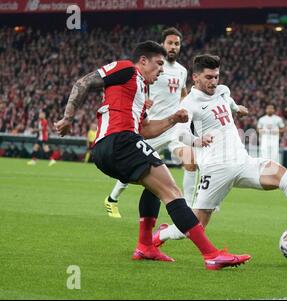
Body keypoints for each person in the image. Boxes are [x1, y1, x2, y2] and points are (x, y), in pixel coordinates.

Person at [54, 41, 250, 270]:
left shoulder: (140, 89)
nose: (161, 70)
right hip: (119, 141)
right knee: (172, 191)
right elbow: (84, 82)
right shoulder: (127, 68)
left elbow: (145, 129)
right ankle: (211, 255)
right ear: (143, 61)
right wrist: (68, 117)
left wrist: (173, 120)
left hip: (107, 150)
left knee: (154, 188)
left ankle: (145, 246)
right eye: (158, 64)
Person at [152, 54, 287, 247]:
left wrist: (238, 109)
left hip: (242, 162)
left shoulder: (223, 90)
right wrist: (197, 140)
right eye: (208, 77)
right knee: (196, 226)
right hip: (216, 169)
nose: (213, 81)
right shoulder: (189, 103)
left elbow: (230, 105)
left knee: (284, 176)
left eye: (216, 76)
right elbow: (180, 134)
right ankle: (161, 234)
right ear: (195, 77)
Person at [104, 27, 197, 219]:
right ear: (162, 44)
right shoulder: (155, 66)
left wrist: (185, 107)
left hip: (171, 128)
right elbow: (140, 85)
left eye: (176, 44)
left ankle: (189, 206)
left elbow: (182, 93)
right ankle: (112, 198)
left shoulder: (182, 71)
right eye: (170, 43)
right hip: (152, 126)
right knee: (133, 169)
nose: (173, 47)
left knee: (190, 161)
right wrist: (144, 101)